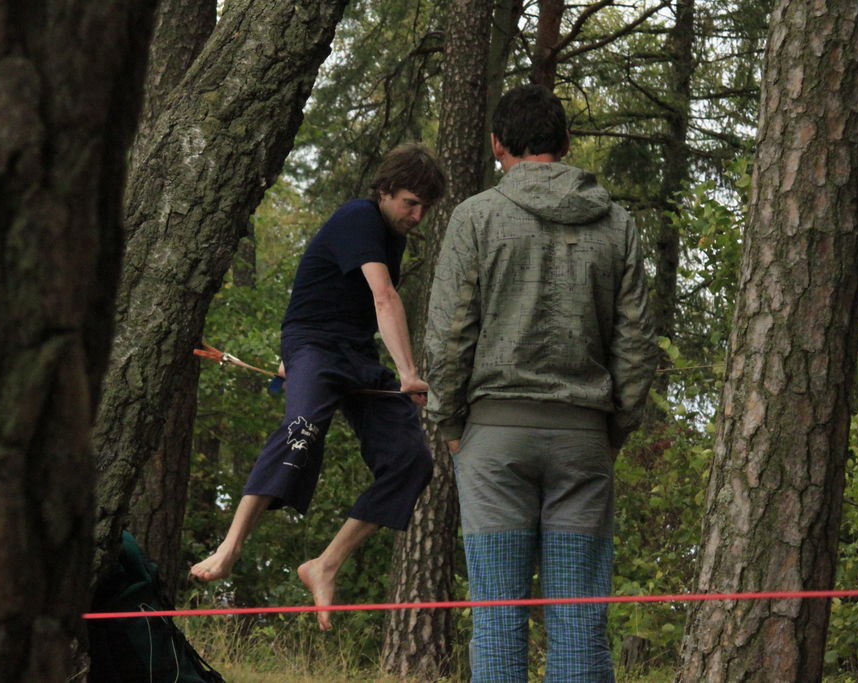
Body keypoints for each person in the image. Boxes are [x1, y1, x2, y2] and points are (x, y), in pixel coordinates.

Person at [424, 85, 657, 681]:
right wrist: (616, 428)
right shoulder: (618, 224)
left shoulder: (475, 217)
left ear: (497, 144)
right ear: (566, 144)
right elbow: (635, 343)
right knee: (579, 621)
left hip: (494, 443)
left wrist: (450, 424)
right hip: (584, 441)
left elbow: (450, 334)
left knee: (499, 619)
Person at [190, 143, 445, 631]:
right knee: (301, 429)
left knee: (413, 460)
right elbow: (384, 297)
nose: (418, 215)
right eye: (411, 202)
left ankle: (325, 565)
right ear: (385, 191)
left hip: (356, 356)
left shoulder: (395, 237)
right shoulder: (359, 217)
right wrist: (408, 373)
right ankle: (230, 547)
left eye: (425, 207)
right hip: (314, 347)